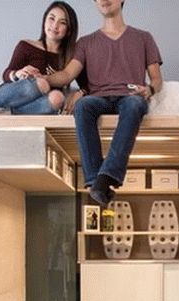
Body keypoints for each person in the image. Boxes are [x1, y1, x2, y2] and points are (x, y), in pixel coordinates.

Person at [47, 0, 163, 207]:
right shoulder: (85, 42)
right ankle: (95, 181)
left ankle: (106, 177)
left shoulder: (144, 37)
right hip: (98, 97)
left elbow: (156, 79)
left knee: (135, 105)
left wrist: (150, 90)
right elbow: (66, 75)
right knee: (83, 106)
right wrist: (40, 80)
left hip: (129, 96)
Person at [0, 1, 82, 116]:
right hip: (16, 93)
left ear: (69, 30)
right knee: (42, 83)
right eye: (51, 19)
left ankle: (6, 114)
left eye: (62, 22)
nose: (55, 26)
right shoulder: (26, 46)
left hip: (39, 104)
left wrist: (81, 92)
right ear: (44, 21)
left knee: (58, 98)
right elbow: (6, 74)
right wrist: (18, 74)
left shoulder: (72, 56)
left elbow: (87, 84)